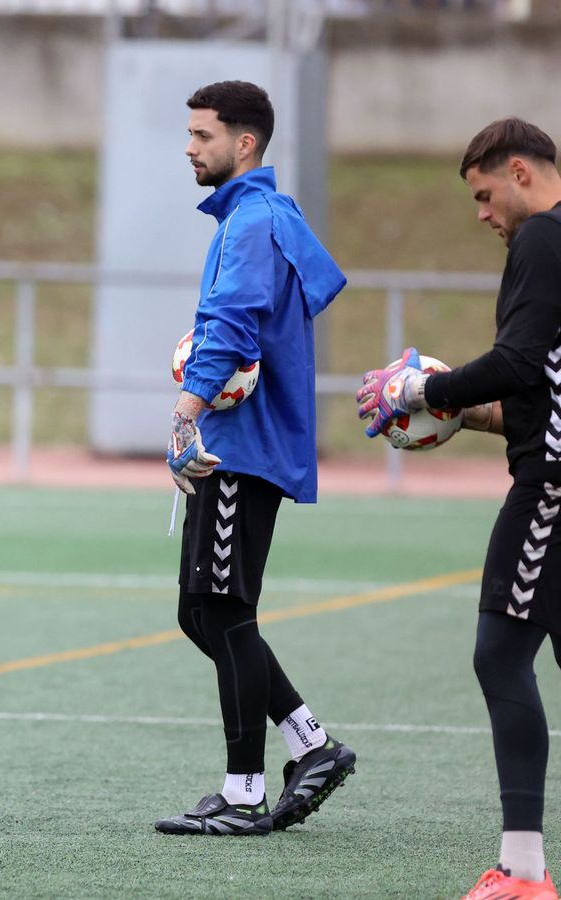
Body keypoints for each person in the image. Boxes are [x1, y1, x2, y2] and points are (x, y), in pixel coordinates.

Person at [358, 117, 561, 900]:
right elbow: (539, 390)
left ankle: (523, 873)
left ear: (519, 171)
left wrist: (421, 391)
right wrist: (470, 416)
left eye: (484, 195)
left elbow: (513, 362)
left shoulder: (542, 239)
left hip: (551, 489)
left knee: (499, 653)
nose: (482, 214)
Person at [155, 81, 355, 837]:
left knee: (226, 611)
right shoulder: (259, 216)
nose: (189, 147)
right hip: (240, 447)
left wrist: (185, 412)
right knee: (199, 611)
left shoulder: (254, 220)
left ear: (245, 144)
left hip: (237, 450)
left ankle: (243, 794)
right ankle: (311, 744)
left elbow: (233, 327)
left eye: (202, 135)